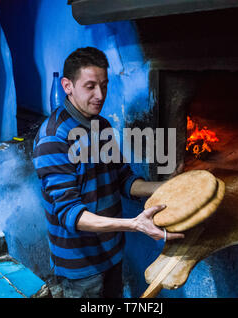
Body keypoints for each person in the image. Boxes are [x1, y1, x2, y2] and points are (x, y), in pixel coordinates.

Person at [32, 47, 184, 298]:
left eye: (104, 85)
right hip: (81, 266)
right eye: (90, 86)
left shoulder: (101, 125)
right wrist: (135, 225)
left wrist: (165, 186)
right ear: (67, 86)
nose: (100, 95)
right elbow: (72, 215)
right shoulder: (53, 138)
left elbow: (122, 178)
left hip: (112, 252)